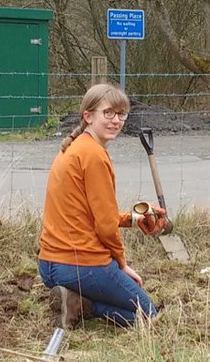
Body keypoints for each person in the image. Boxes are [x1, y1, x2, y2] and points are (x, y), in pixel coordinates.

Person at [38, 83, 164, 329]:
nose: (116, 120)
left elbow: (87, 214)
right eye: (108, 113)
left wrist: (131, 218)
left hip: (50, 265)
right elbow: (105, 226)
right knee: (150, 315)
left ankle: (73, 298)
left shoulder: (72, 148)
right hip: (81, 265)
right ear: (88, 116)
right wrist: (121, 265)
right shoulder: (95, 156)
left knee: (128, 300)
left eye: (121, 114)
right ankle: (87, 306)